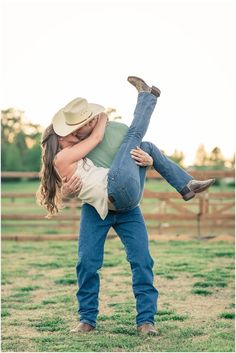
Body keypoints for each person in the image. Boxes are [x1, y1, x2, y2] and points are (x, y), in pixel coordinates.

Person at [37, 76, 214, 335]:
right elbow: (72, 180)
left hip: (128, 205)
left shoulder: (113, 132)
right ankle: (87, 319)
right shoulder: (75, 149)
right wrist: (69, 193)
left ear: (88, 121)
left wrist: (149, 160)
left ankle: (146, 321)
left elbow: (127, 159)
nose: (74, 136)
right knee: (87, 262)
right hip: (97, 209)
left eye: (77, 129)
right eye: (69, 134)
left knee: (142, 260)